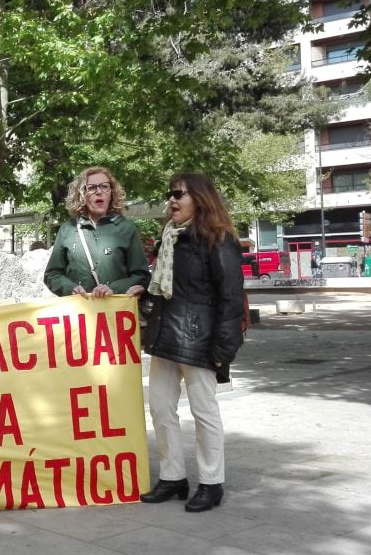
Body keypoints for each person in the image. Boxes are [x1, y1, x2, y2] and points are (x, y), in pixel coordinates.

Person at [140, 173, 244, 513]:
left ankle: (212, 483)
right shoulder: (169, 237)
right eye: (169, 194)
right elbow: (161, 290)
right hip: (164, 337)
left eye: (178, 195)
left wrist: (223, 349)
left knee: (203, 412)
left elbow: (231, 298)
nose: (171, 200)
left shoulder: (219, 238)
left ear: (199, 199)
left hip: (200, 341)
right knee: (159, 407)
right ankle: (173, 477)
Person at [43, 167, 150, 299]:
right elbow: (52, 274)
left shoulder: (126, 229)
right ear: (82, 194)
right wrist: (70, 288)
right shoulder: (67, 230)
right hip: (79, 313)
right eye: (92, 188)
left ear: (112, 192)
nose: (99, 191)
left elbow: (142, 276)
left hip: (115, 314)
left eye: (105, 186)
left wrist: (114, 289)